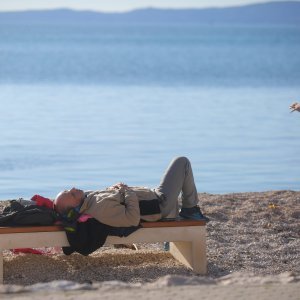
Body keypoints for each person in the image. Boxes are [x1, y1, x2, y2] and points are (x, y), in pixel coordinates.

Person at [54, 156, 209, 227]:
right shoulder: (99, 208)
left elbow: (113, 199)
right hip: (159, 205)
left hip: (153, 198)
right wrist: (127, 191)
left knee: (175, 177)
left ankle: (178, 214)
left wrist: (113, 188)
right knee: (182, 162)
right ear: (75, 206)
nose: (73, 189)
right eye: (72, 194)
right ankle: (190, 210)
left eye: (69, 189)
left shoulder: (88, 199)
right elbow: (131, 219)